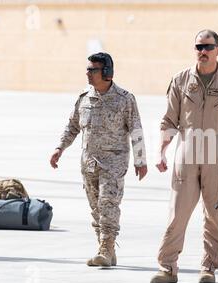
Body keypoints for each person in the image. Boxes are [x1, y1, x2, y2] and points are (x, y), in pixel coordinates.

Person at [151, 30, 218, 283]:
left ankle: (209, 266)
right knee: (177, 213)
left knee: (216, 216)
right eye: (199, 47)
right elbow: (169, 119)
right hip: (186, 153)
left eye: (208, 47)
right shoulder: (181, 80)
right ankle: (168, 267)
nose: (203, 51)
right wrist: (162, 150)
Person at [50, 52, 147, 266]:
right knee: (96, 208)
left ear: (107, 73)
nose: (88, 73)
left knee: (108, 203)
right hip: (89, 163)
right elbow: (73, 126)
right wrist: (60, 148)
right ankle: (105, 249)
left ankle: (107, 247)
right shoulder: (84, 98)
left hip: (113, 163)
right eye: (87, 69)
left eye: (93, 70)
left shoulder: (125, 99)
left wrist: (141, 160)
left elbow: (136, 130)